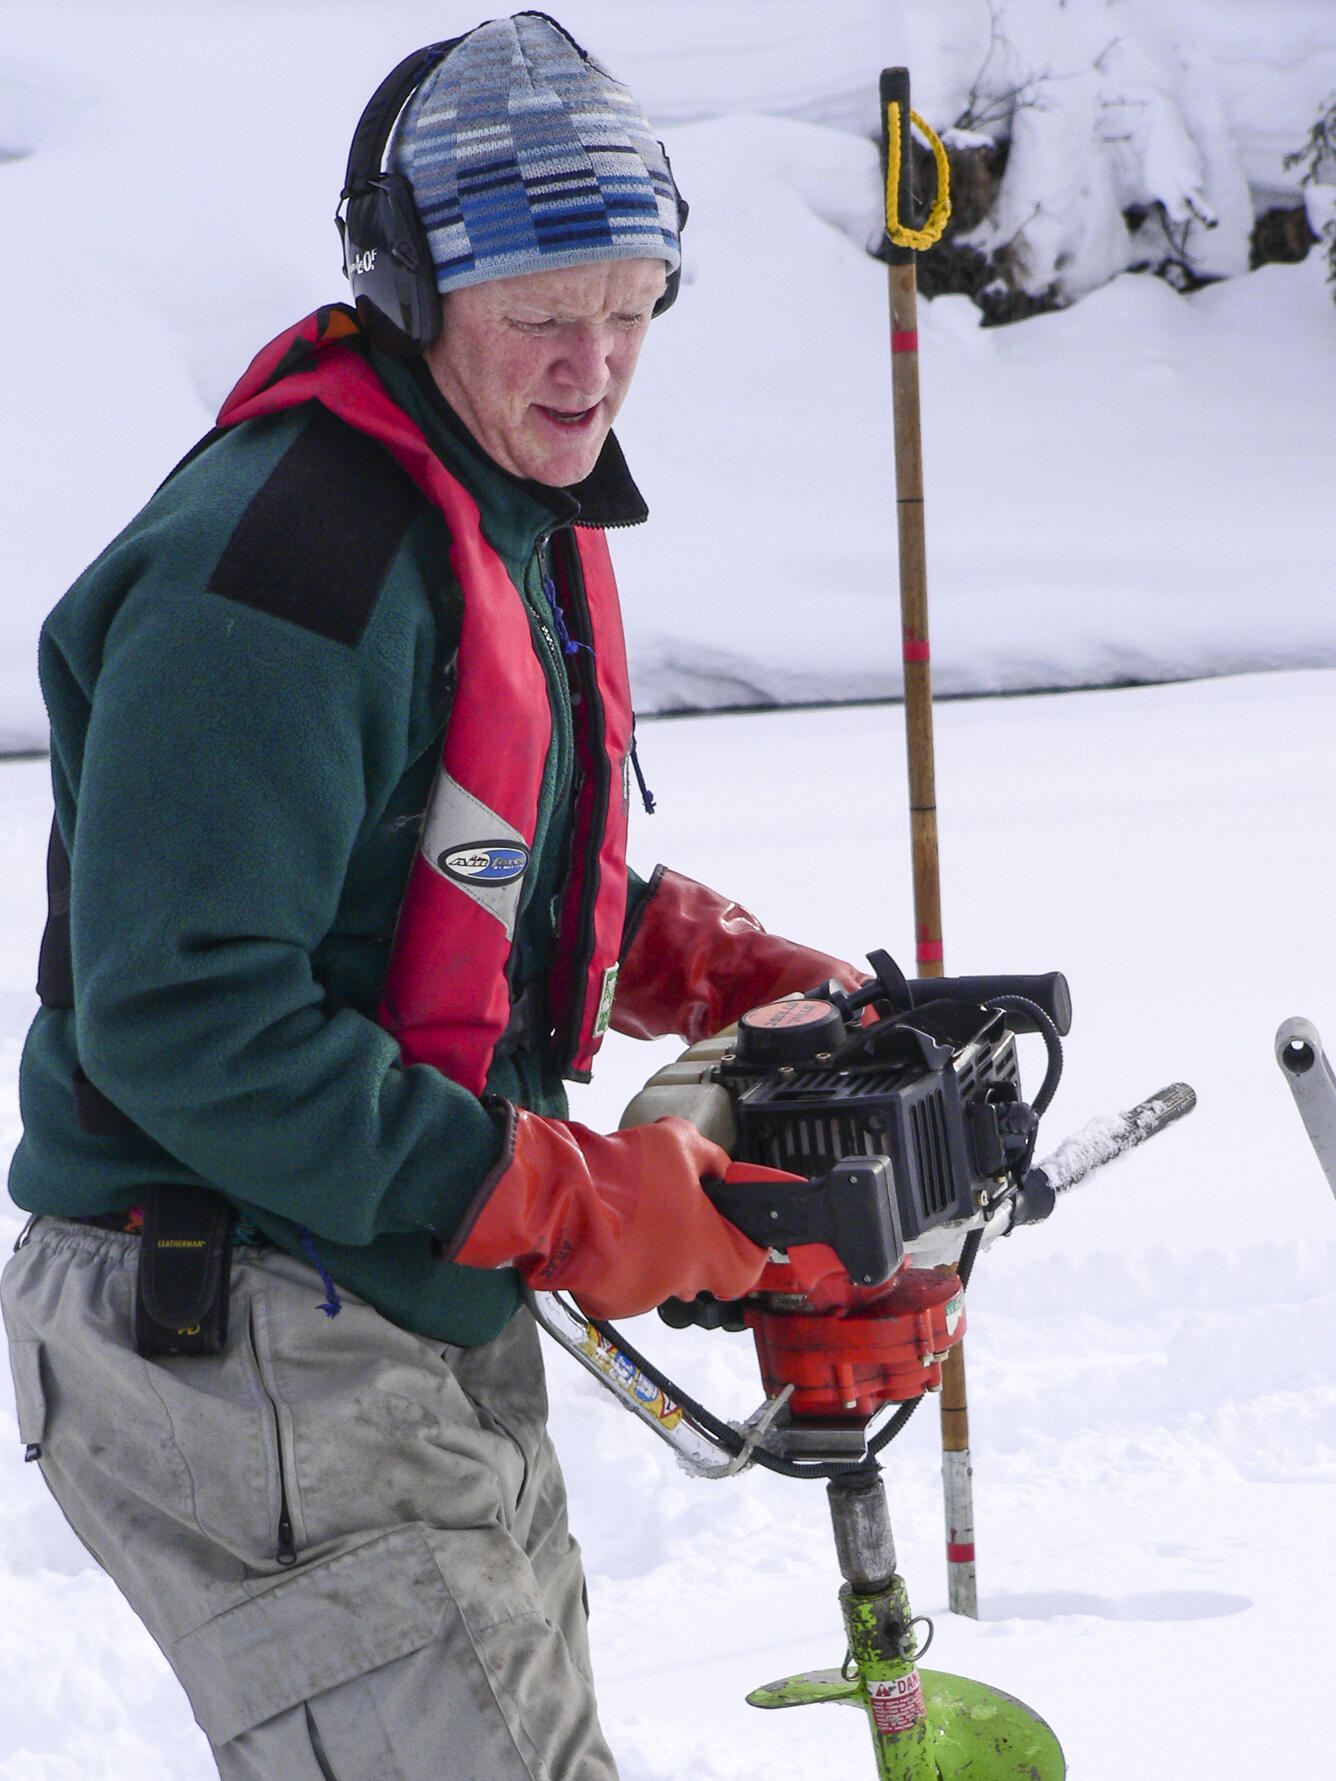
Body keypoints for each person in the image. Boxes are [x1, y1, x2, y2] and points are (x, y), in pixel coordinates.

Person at [1, 16, 865, 1779]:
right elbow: (183, 1013)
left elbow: (453, 849)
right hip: (232, 1313)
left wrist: (681, 952)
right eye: (546, 313)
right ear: (413, 288)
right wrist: (552, 1189)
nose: (596, 362)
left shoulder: (495, 504)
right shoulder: (286, 570)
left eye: (632, 306)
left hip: (387, 1274)